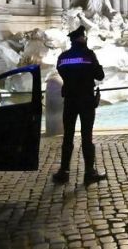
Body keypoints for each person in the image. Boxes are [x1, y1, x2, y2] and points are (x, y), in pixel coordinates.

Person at [52, 26, 107, 185]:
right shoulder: (88, 55)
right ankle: (89, 172)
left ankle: (64, 172)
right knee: (86, 136)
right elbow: (100, 75)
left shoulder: (63, 57)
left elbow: (61, 72)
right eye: (84, 37)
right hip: (86, 100)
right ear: (82, 39)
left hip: (69, 100)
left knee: (67, 136)